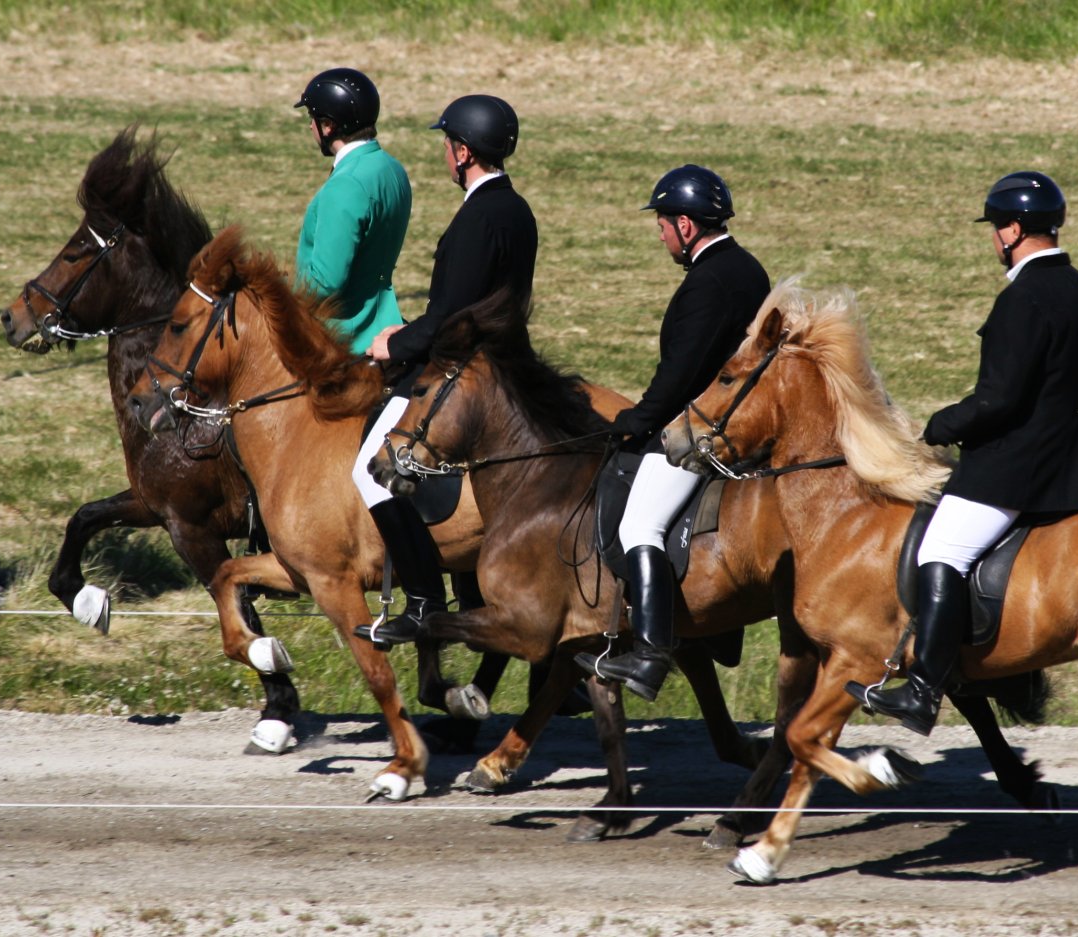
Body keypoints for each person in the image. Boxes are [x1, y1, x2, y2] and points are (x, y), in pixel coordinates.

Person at [846, 170, 1078, 736]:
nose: (994, 238)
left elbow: (1000, 398)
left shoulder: (1024, 297)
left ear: (1014, 229)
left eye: (996, 228)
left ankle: (922, 692)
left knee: (939, 552)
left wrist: (942, 425)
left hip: (1015, 469)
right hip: (1072, 464)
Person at [574, 165, 771, 701]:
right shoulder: (748, 268)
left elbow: (684, 372)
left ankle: (650, 654)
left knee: (642, 525)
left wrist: (638, 421)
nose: (659, 233)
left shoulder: (708, 282)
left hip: (704, 431)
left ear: (686, 225)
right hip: (735, 421)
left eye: (662, 222)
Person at [353, 94, 538, 647]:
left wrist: (394, 344)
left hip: (465, 367)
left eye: (446, 144)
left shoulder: (476, 218)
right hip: (510, 359)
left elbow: (449, 317)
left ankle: (425, 600)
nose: (443, 153)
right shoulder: (518, 209)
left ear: (462, 151)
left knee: (370, 468)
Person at [293, 67, 411, 355]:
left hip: (343, 337)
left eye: (313, 118)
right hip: (384, 318)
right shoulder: (392, 168)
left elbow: (324, 284)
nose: (310, 126)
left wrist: (276, 298)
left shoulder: (345, 185)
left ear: (329, 126)